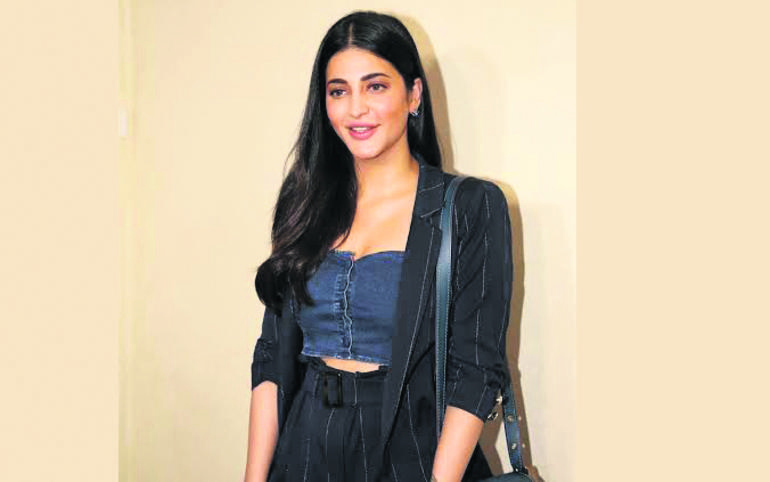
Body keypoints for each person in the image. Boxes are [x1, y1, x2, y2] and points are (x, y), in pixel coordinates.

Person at [244, 10, 514, 482]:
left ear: (413, 94)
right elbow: (271, 354)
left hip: (414, 452)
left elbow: (475, 370)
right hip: (304, 446)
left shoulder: (469, 206)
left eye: (375, 86)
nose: (356, 109)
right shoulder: (303, 199)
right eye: (338, 91)